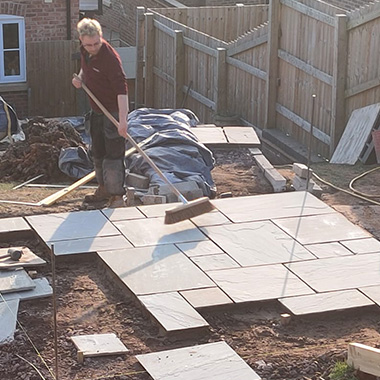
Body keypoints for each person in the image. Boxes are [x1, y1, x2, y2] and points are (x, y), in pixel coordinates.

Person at [72, 18, 128, 208]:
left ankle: (117, 196)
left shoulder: (110, 59)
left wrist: (122, 121)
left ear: (101, 37)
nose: (93, 47)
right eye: (88, 44)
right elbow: (85, 68)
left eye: (96, 43)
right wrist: (80, 78)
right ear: (81, 40)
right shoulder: (84, 51)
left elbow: (122, 91)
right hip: (96, 110)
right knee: (98, 153)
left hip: (112, 111)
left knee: (113, 155)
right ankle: (103, 189)